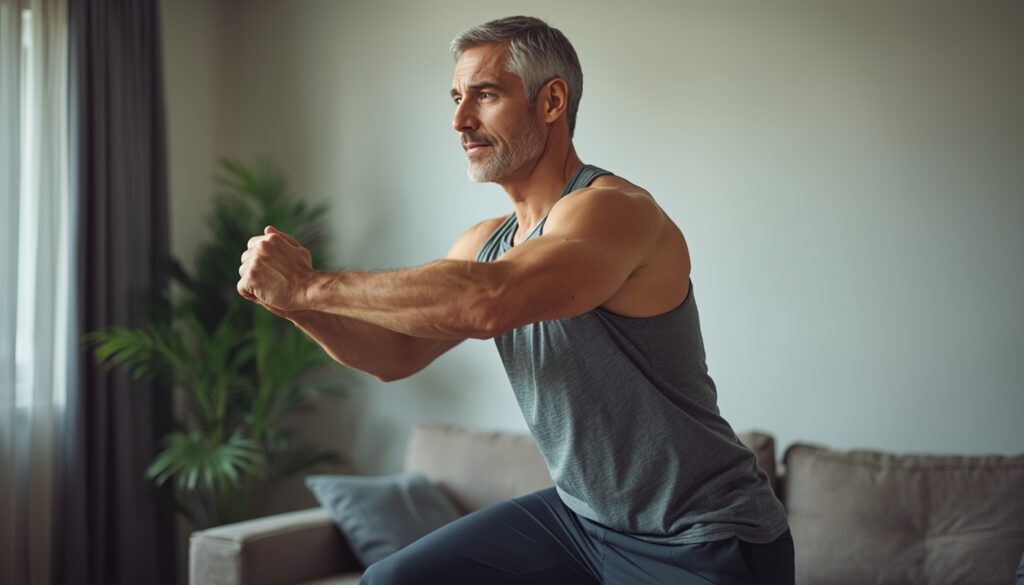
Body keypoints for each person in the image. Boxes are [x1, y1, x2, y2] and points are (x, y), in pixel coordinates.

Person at [237, 15, 794, 585]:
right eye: (456, 97)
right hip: (582, 521)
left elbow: (487, 304)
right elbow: (394, 355)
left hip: (702, 534)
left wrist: (308, 285)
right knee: (391, 581)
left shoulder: (614, 211)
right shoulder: (485, 244)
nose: (459, 120)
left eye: (484, 95)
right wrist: (288, 302)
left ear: (551, 101)